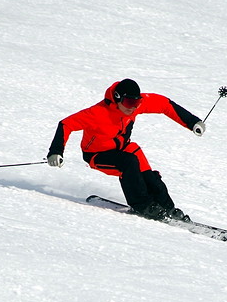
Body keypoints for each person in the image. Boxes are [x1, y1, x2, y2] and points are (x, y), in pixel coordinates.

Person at [46, 79, 205, 221]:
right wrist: (56, 152)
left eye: (136, 103)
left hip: (123, 148)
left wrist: (193, 122)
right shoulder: (97, 113)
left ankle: (168, 208)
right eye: (129, 103)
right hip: (97, 155)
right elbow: (66, 124)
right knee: (128, 162)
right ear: (117, 99)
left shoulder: (134, 105)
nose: (133, 107)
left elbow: (164, 104)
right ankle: (143, 206)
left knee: (147, 174)